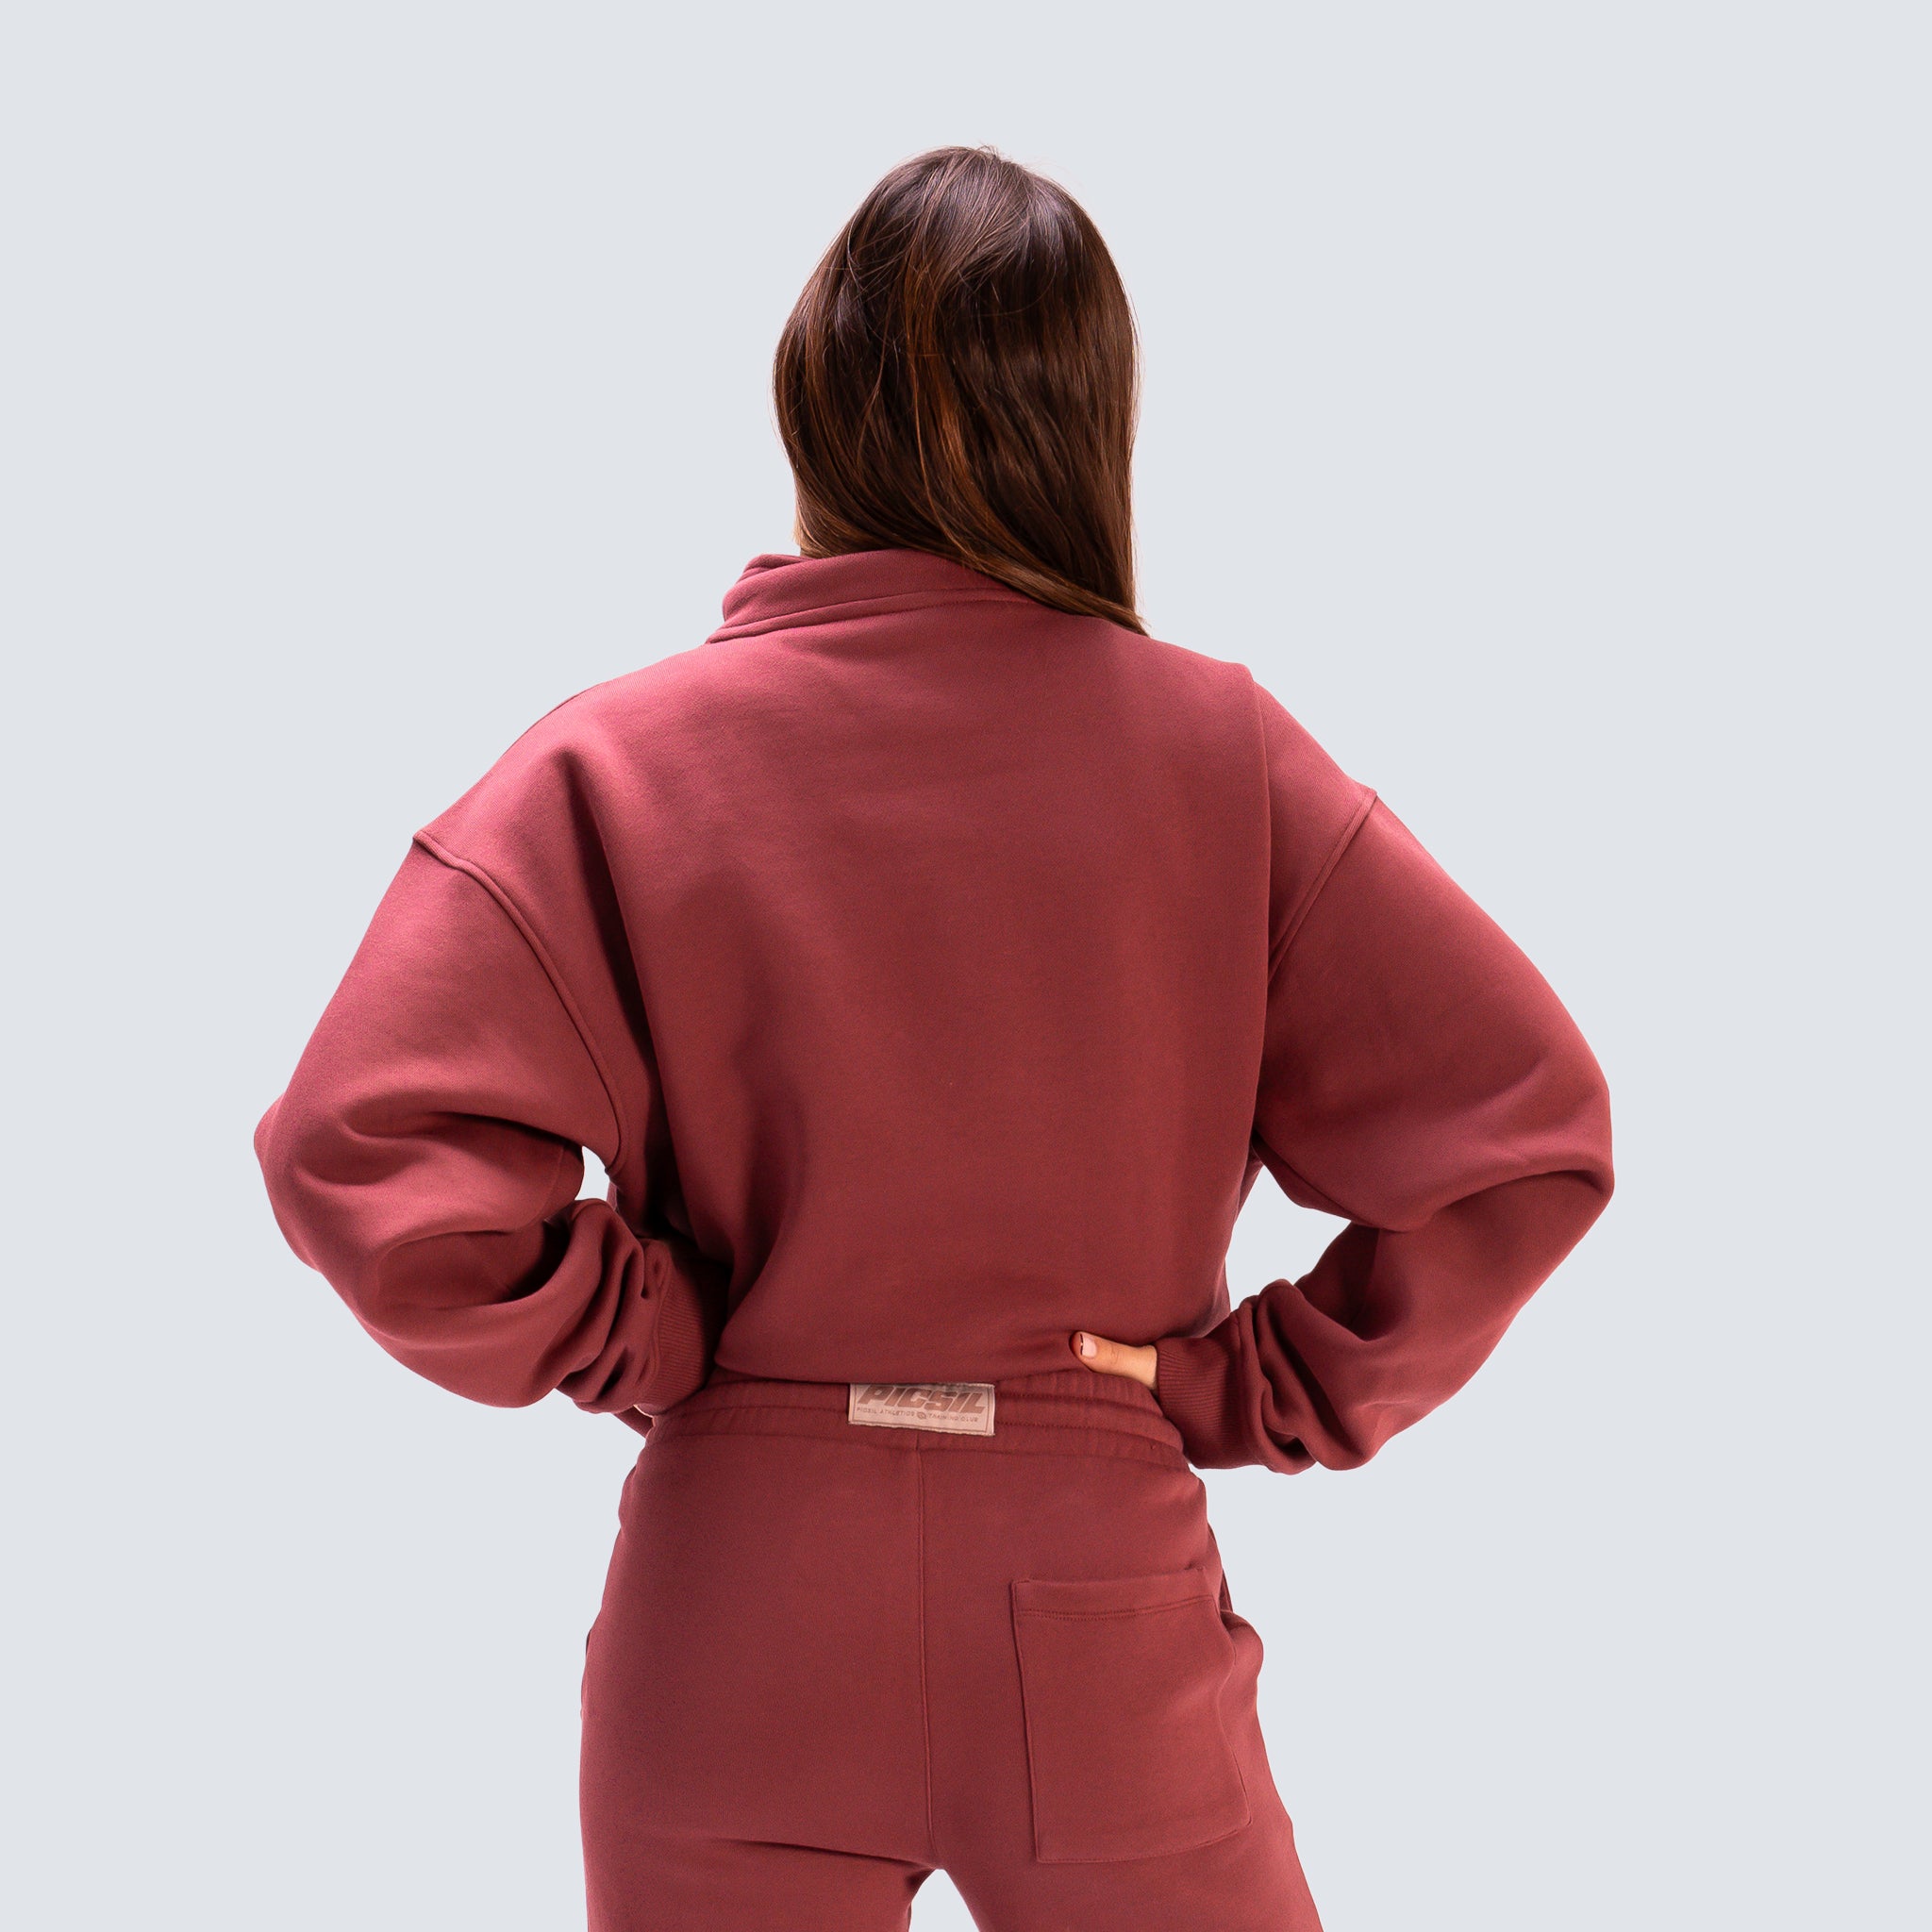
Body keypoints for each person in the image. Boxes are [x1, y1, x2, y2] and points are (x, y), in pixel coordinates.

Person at [254, 145, 1614, 1932]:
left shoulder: (618, 761)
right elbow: (1524, 1139)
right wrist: (1234, 1388)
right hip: (1089, 1592)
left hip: (739, 1609)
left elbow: (357, 1144)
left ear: (812, 408)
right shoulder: (1221, 761)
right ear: (1093, 424)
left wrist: (655, 1334)